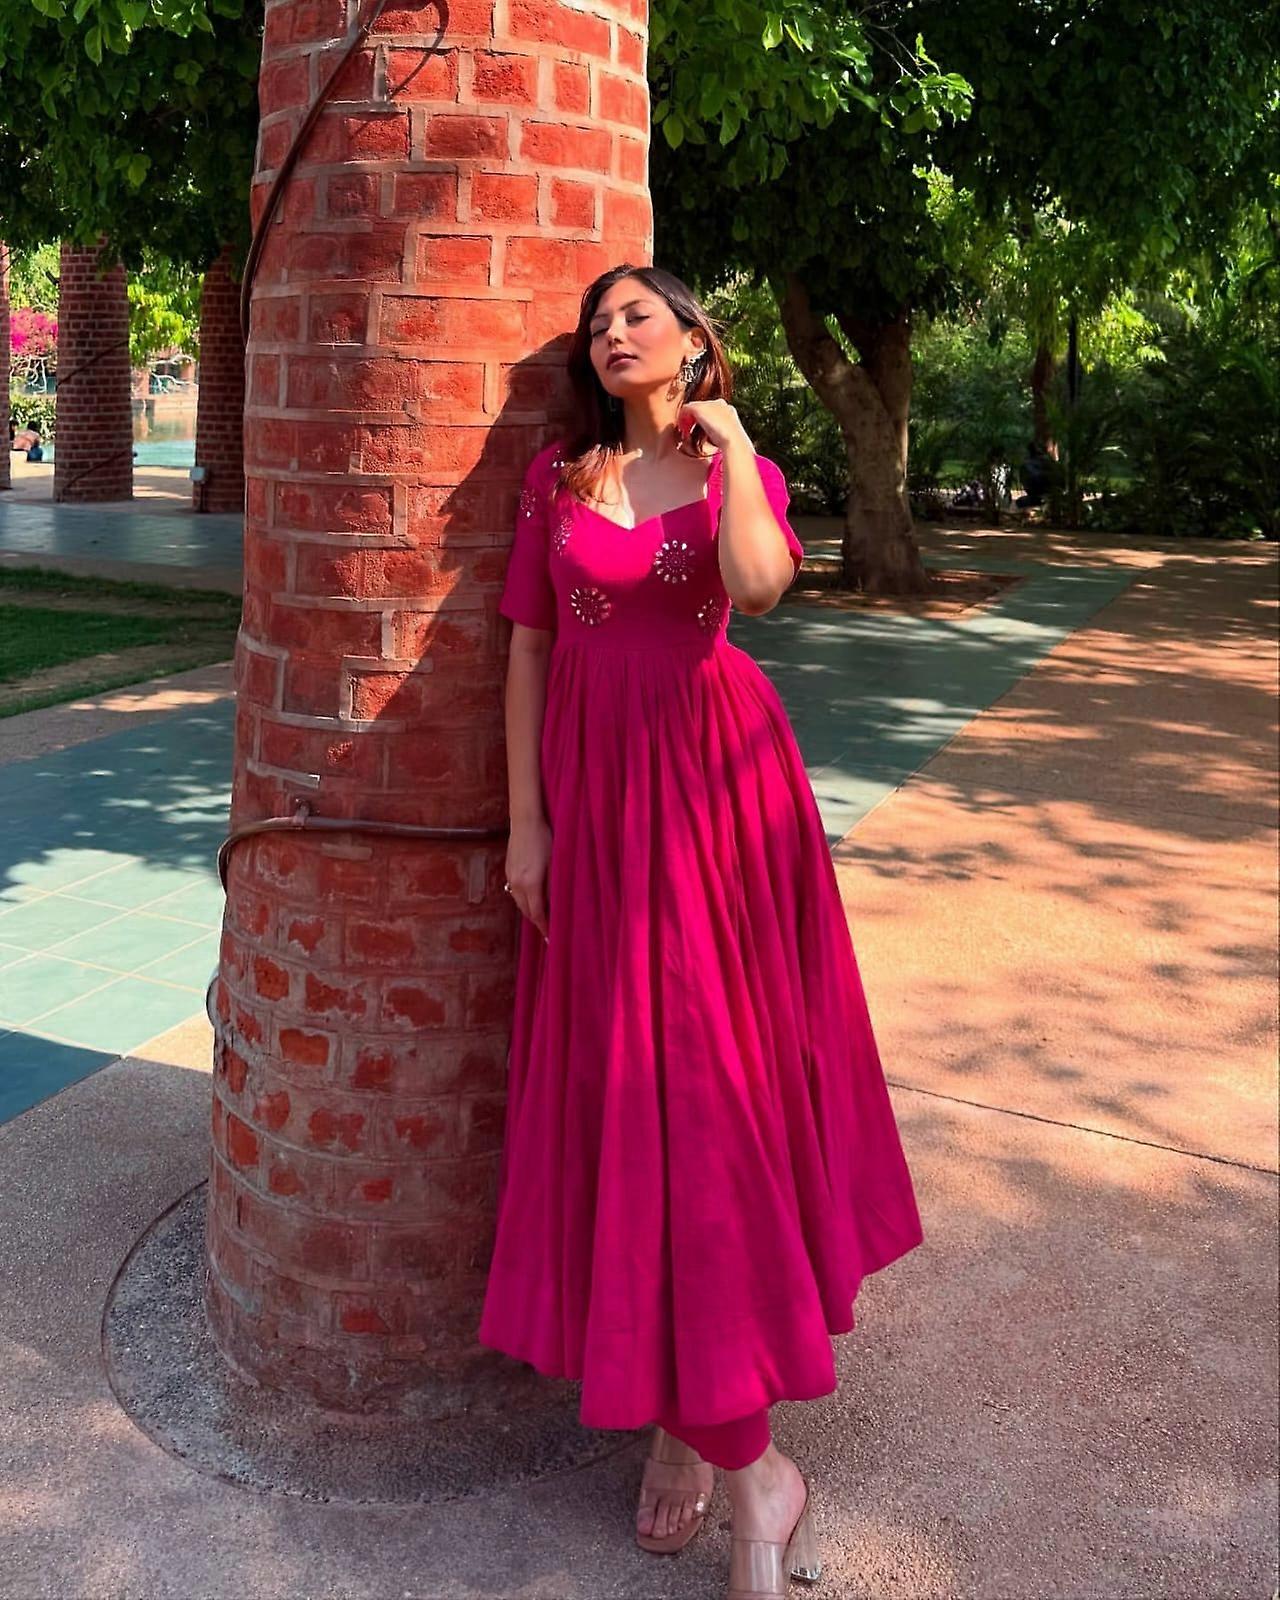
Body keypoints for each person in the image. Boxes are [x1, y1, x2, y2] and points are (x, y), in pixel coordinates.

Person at [478, 263, 924, 1599]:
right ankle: (721, 1439)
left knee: (712, 1100)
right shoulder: (557, 483)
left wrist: (727, 445)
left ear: (691, 339)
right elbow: (528, 648)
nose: (612, 333)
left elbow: (762, 590)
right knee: (633, 1100)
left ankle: (730, 1452)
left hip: (722, 799)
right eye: (596, 323)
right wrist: (526, 825)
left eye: (638, 315)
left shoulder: (739, 466)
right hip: (597, 800)